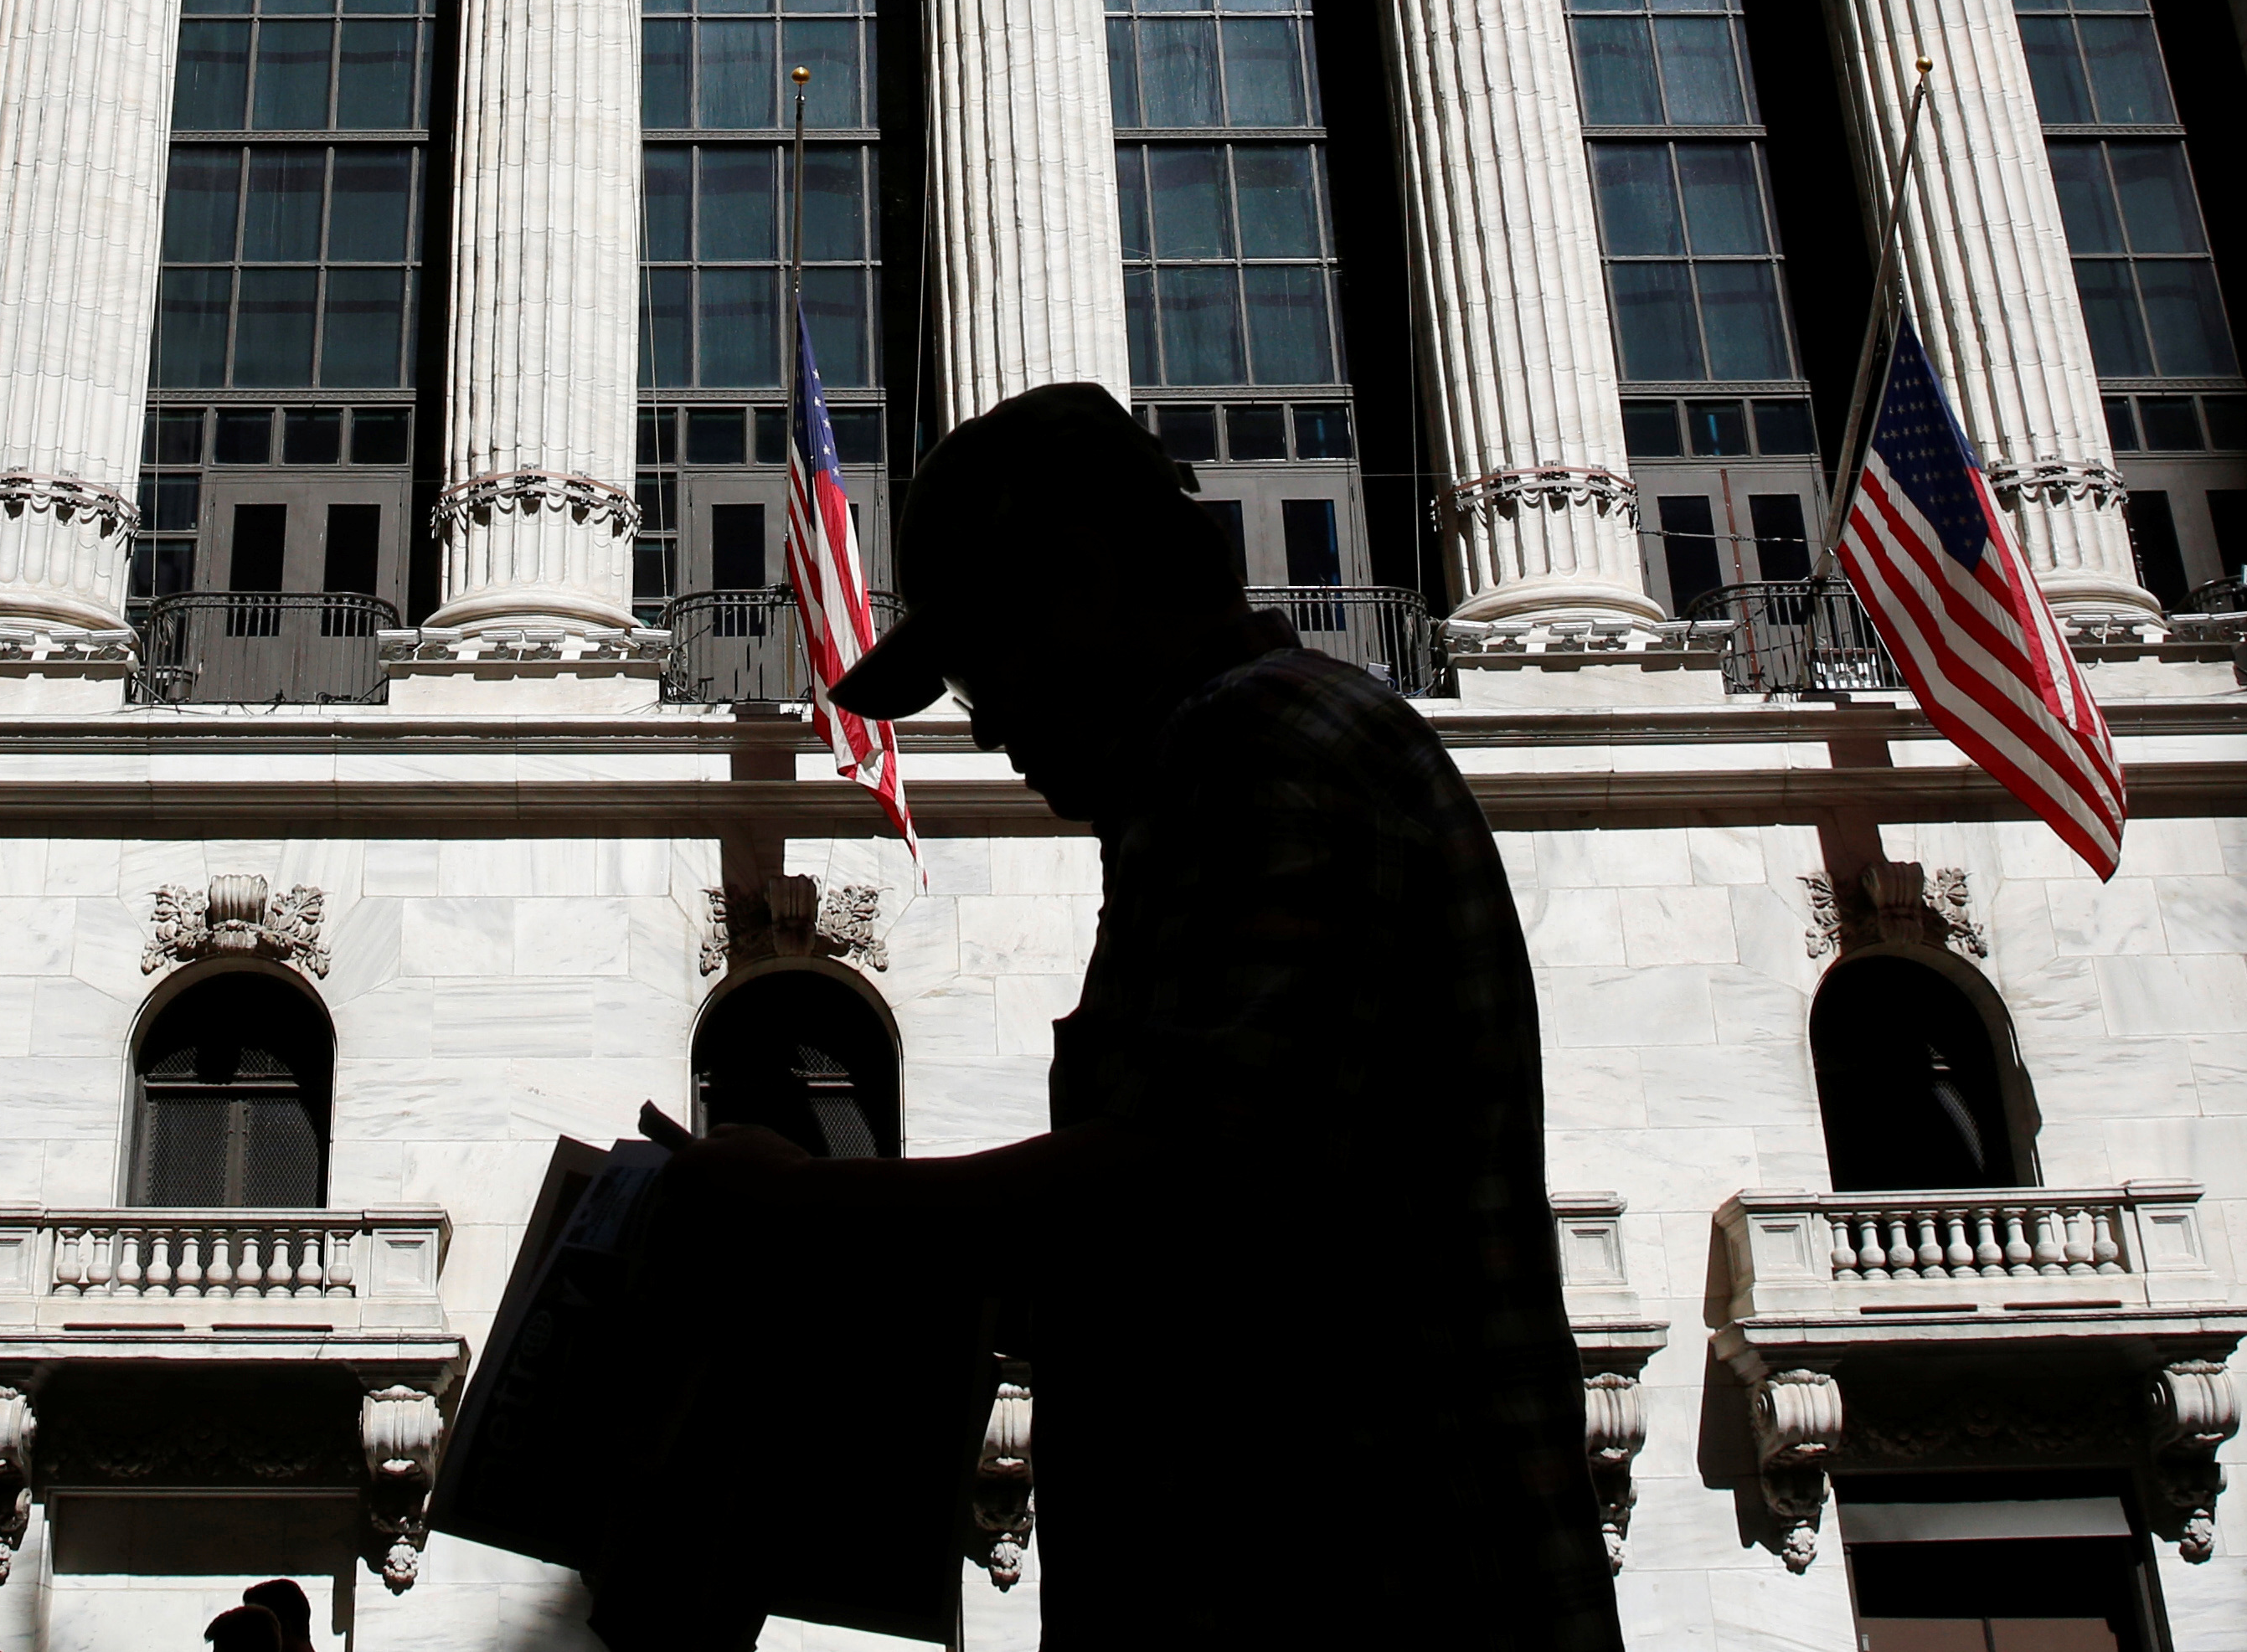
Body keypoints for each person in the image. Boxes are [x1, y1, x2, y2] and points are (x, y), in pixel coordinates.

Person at [671, 384, 1622, 1645]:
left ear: (1079, 579)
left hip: (1363, 1584)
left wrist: (803, 1213)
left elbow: (1178, 1192)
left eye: (981, 661)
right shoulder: (1259, 755)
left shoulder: (1260, 749)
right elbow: (1202, 1275)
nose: (987, 722)